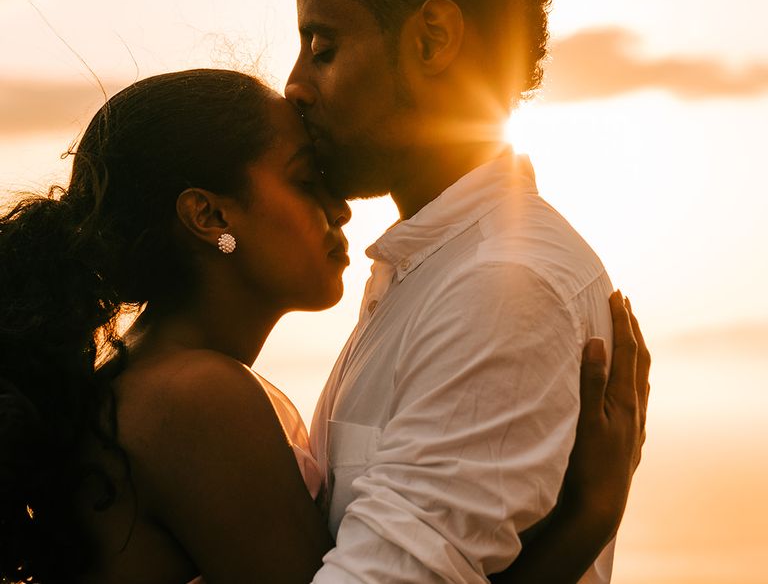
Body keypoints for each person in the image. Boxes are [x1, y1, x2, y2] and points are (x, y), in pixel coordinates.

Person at [0, 69, 648, 583]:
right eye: (307, 179)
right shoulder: (194, 401)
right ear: (210, 217)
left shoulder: (162, 384)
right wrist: (585, 520)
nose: (339, 206)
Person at [282, 0, 642, 581]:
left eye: (322, 47)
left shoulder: (504, 290)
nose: (294, 84)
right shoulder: (437, 265)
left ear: (432, 39)